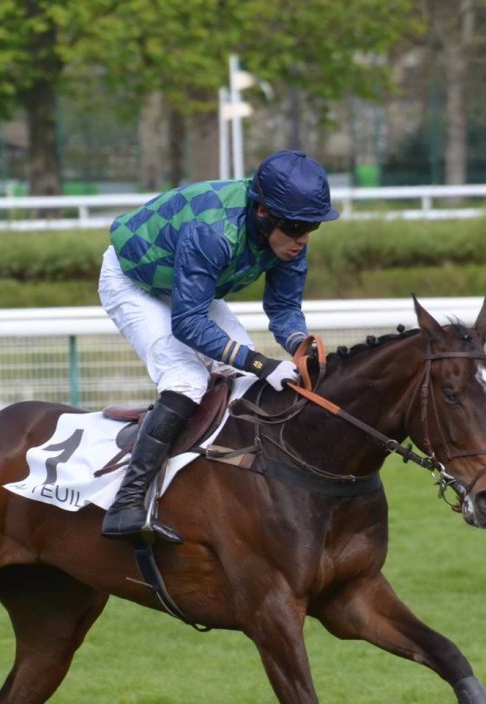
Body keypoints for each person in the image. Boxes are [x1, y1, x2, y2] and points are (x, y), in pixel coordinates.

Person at [97, 149, 340, 543]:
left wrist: (299, 343)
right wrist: (260, 363)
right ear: (263, 212)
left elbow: (283, 308)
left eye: (312, 227)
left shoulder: (288, 235)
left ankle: (228, 484)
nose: (303, 239)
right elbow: (187, 323)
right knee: (187, 379)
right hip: (134, 282)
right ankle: (127, 502)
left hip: (189, 285)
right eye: (296, 227)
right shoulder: (214, 232)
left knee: (242, 376)